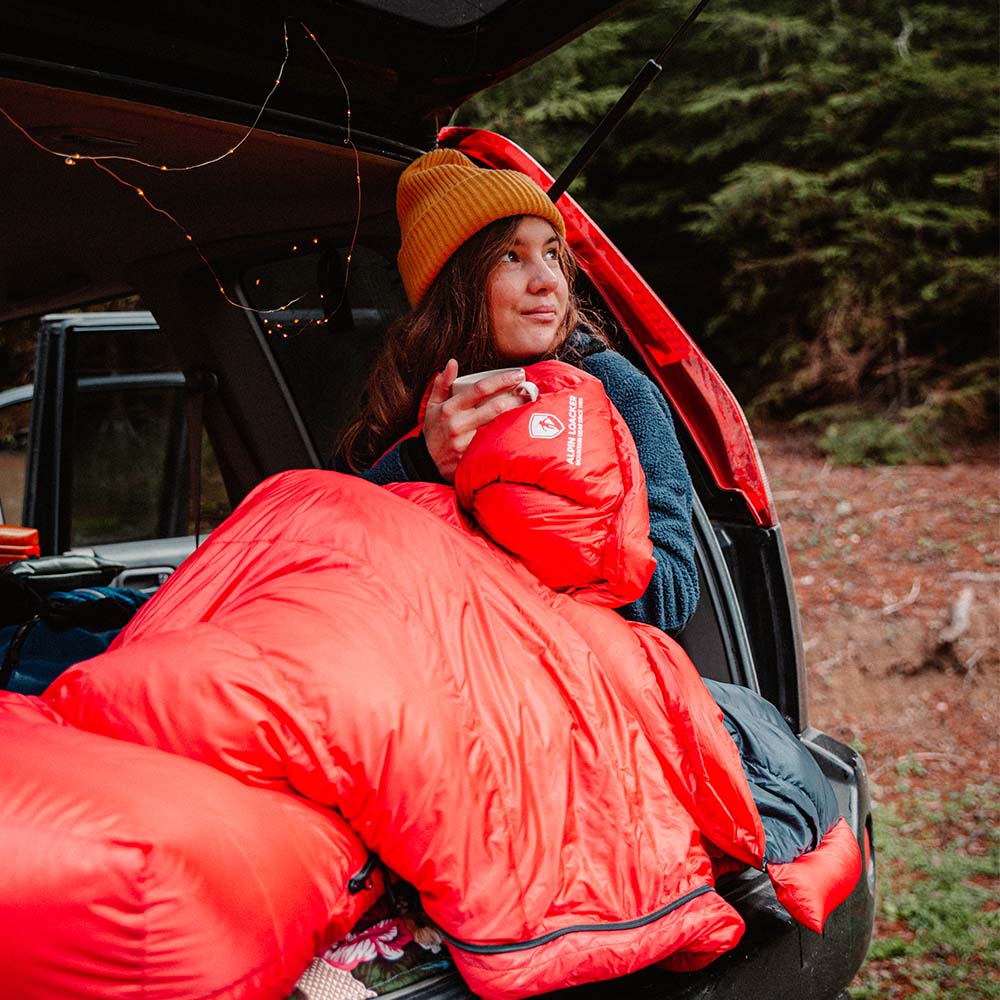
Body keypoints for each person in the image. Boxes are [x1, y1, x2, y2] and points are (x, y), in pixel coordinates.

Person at [339, 148, 699, 633]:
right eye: (511, 256)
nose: (548, 280)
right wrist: (422, 463)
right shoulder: (403, 395)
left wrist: (548, 520)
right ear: (454, 284)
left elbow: (674, 596)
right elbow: (336, 549)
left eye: (551, 253)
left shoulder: (616, 389)